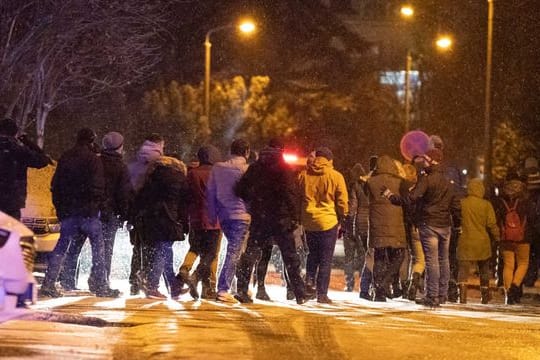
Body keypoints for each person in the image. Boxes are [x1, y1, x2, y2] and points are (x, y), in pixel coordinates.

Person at [40, 128, 119, 298]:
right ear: (91, 140)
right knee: (98, 249)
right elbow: (98, 187)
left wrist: (61, 208)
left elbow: (56, 185)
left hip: (69, 211)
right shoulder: (93, 160)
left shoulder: (66, 157)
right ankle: (101, 285)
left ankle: (49, 282)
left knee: (62, 247)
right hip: (88, 212)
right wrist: (96, 205)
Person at [235, 139, 307, 304]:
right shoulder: (285, 169)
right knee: (290, 256)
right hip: (281, 219)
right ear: (281, 150)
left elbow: (240, 189)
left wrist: (254, 201)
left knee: (251, 253)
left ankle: (242, 289)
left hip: (260, 218)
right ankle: (300, 293)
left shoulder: (255, 167)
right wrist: (295, 216)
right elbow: (290, 194)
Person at [59, 131, 133, 291]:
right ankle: (100, 282)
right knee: (104, 250)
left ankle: (67, 279)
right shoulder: (120, 167)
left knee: (75, 246)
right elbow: (123, 194)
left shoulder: (93, 160)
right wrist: (125, 214)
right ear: (119, 147)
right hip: (108, 213)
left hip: (86, 209)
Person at [409, 148, 461, 307]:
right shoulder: (448, 182)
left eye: (425, 159)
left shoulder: (427, 179)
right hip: (445, 225)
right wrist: (458, 224)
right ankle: (442, 294)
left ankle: (431, 296)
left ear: (431, 160)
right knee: (443, 259)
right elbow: (456, 206)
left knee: (432, 261)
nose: (423, 162)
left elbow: (414, 196)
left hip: (429, 223)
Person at [298, 147, 348, 304]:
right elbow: (342, 202)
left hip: (308, 221)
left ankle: (309, 281)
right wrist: (343, 217)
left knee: (312, 255)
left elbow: (297, 196)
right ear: (330, 160)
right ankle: (322, 294)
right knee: (325, 259)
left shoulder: (303, 175)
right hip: (328, 222)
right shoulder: (336, 176)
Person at [135, 156, 189, 299]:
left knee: (165, 251)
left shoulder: (151, 177)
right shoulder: (179, 178)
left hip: (151, 219)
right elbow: (183, 203)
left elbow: (140, 198)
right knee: (162, 252)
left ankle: (173, 285)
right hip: (169, 219)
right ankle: (152, 286)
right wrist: (184, 223)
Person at [207, 139, 251, 303]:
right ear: (246, 152)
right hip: (242, 216)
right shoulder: (247, 170)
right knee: (234, 252)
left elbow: (210, 192)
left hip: (223, 216)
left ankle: (229, 286)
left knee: (233, 251)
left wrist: (212, 214)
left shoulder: (218, 168)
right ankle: (223, 289)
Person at [176, 145, 222, 300]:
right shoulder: (217, 175)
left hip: (195, 218)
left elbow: (185, 196)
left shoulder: (192, 173)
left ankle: (184, 270)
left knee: (195, 247)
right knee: (211, 254)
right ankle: (203, 284)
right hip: (214, 220)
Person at [127, 134, 165, 295]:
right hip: (151, 211)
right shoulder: (158, 163)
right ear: (159, 144)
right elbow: (155, 189)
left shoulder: (135, 163)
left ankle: (134, 282)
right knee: (151, 248)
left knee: (137, 247)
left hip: (135, 212)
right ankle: (148, 281)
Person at [368, 155, 408, 302]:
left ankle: (379, 291)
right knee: (398, 256)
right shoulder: (400, 183)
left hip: (377, 225)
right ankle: (385, 283)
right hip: (396, 226)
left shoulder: (371, 182)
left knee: (379, 257)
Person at [457, 178, 500, 304]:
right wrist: (497, 237)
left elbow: (456, 219)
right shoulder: (486, 205)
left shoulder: (461, 203)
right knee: (484, 269)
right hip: (482, 241)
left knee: (463, 269)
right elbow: (492, 224)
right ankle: (485, 295)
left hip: (465, 239)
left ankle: (463, 296)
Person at [0, 118, 50, 219]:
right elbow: (43, 160)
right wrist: (29, 143)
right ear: (15, 133)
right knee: (11, 232)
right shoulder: (19, 151)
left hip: (11, 200)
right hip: (12, 201)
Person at [494, 176, 530, 304]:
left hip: (506, 238)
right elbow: (533, 219)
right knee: (523, 263)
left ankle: (508, 293)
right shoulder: (526, 202)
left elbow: (496, 220)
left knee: (508, 265)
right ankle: (515, 287)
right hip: (523, 237)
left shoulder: (500, 202)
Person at [343, 163, 369, 292]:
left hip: (353, 224)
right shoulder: (368, 187)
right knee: (362, 254)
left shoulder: (353, 186)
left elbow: (352, 207)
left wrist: (348, 220)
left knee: (349, 255)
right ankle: (363, 281)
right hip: (365, 225)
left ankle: (349, 283)